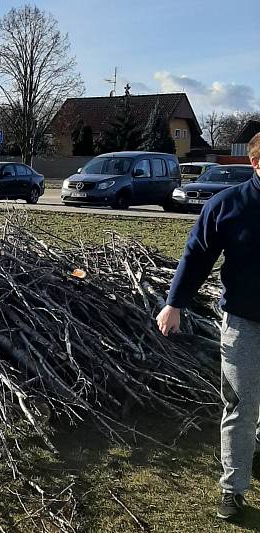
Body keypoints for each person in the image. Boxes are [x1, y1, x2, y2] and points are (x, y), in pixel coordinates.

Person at [157, 131, 260, 521]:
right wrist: (174, 304)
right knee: (240, 404)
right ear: (255, 163)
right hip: (243, 322)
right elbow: (197, 257)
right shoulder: (227, 206)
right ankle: (233, 490)